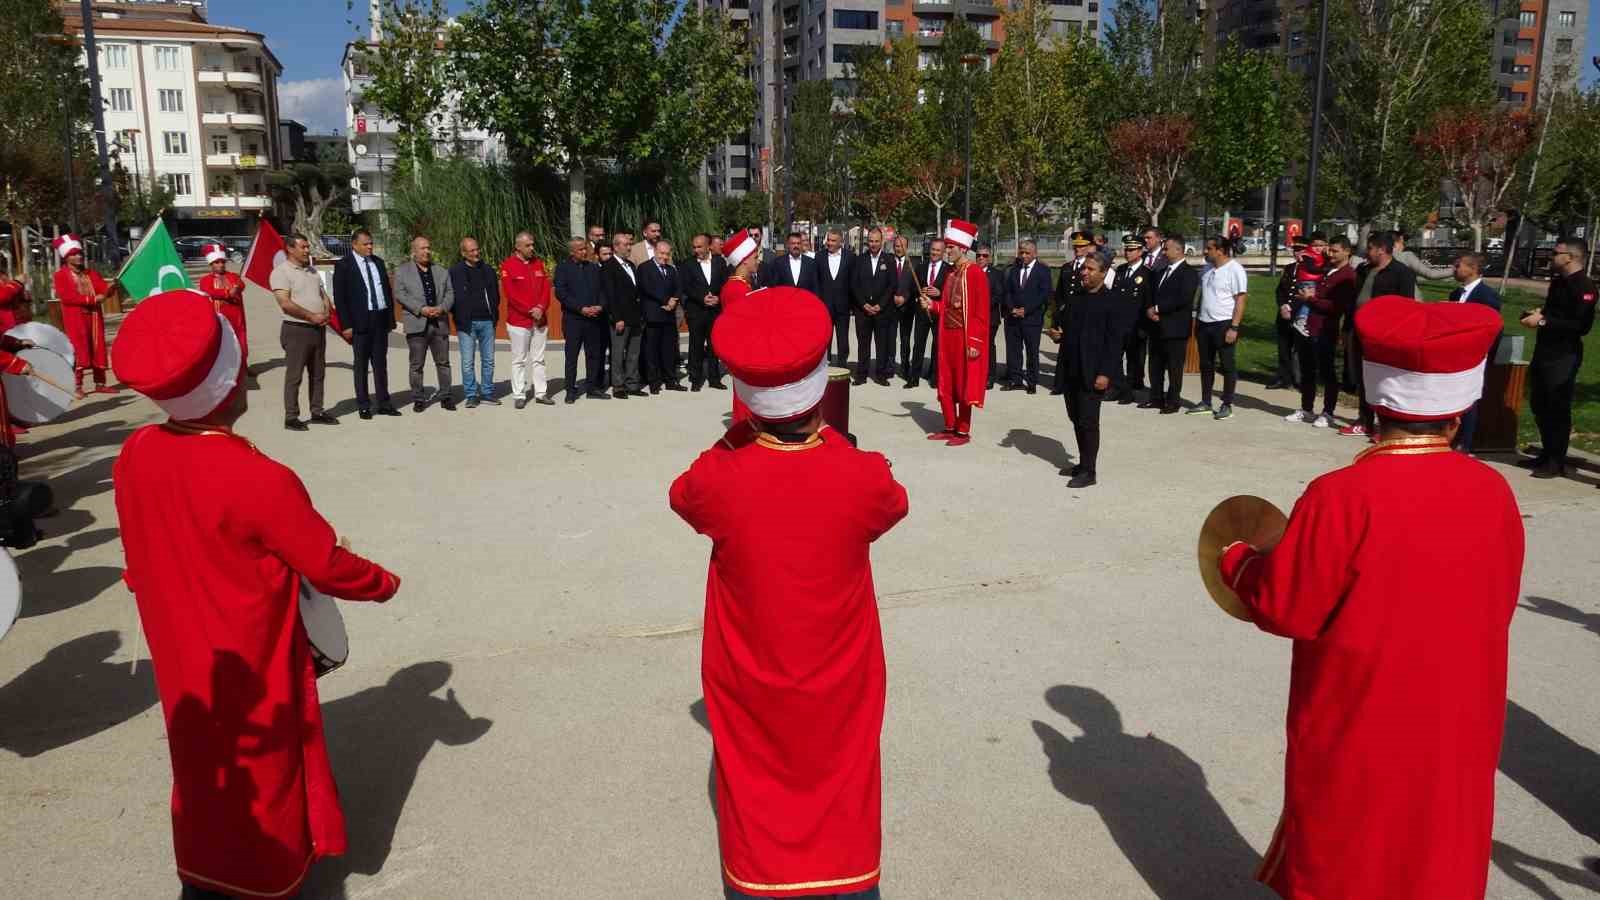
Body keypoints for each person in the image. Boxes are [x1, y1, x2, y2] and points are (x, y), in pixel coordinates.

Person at [1212, 294, 1520, 900]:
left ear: (1374, 403)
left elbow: (1287, 607)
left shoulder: (1340, 496)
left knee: (1350, 843)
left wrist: (1235, 561)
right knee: (1438, 842)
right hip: (1458, 712)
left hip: (1361, 712)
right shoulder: (1494, 491)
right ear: (1458, 412)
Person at [110, 289, 401, 900]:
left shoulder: (136, 451)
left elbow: (137, 553)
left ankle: (204, 869)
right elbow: (326, 564)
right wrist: (385, 583)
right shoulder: (256, 475)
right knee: (263, 764)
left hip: (178, 641)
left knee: (198, 759)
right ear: (231, 380)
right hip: (247, 646)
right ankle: (265, 879)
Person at [669, 292, 907, 900]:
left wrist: (737, 439)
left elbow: (683, 495)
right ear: (820, 383)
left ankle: (760, 882)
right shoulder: (859, 472)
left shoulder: (720, 474)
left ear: (744, 396)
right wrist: (838, 444)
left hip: (752, 673)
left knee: (755, 788)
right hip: (838, 676)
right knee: (844, 787)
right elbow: (892, 504)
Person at [1521, 237, 1596, 478]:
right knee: (1539, 403)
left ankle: (1556, 460)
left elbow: (1580, 326)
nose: (1551, 257)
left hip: (1564, 355)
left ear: (1570, 257)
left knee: (1557, 407)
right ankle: (1547, 452)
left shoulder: (1584, 287)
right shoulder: (1558, 282)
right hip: (1545, 350)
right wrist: (1540, 314)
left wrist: (1543, 321)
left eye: (1556, 253)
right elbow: (1554, 312)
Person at [919, 220, 989, 447]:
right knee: (945, 382)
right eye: (946, 247)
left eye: (951, 247)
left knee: (963, 384)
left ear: (963, 248)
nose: (947, 251)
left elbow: (980, 311)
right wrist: (931, 304)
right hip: (946, 335)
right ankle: (949, 425)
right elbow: (947, 308)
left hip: (964, 337)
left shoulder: (975, 273)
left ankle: (963, 431)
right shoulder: (950, 274)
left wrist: (976, 341)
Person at [1056, 254, 1122, 488]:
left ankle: (1089, 471)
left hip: (1093, 373)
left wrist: (1105, 373)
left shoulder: (1112, 301)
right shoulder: (1076, 298)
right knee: (1075, 418)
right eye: (1084, 268)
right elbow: (1071, 331)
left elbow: (1114, 343)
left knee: (1088, 421)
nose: (1084, 272)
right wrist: (1059, 336)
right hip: (1072, 369)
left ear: (1103, 273)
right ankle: (1082, 463)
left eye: (1091, 269)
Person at [1343, 231, 1418, 438]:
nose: (1367, 252)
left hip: (1385, 334)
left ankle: (1386, 426)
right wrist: (1347, 328)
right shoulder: (1363, 270)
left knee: (1385, 380)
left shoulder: (1402, 273)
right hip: (1359, 331)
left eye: (1370, 248)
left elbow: (1407, 307)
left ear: (1382, 250)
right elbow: (1353, 300)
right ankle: (1364, 420)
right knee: (1363, 375)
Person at [1284, 237, 1356, 429]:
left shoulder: (1347, 276)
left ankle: (1328, 412)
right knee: (1307, 370)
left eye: (1335, 251)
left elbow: (1336, 306)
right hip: (1308, 325)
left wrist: (1311, 299)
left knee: (1327, 372)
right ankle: (1306, 409)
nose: (1330, 254)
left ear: (1347, 252)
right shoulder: (1326, 269)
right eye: (1329, 250)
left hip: (1325, 328)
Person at [269, 233, 337, 431]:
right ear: (290, 249)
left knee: (318, 373)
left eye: (308, 247)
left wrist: (325, 311)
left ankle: (317, 411)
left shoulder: (312, 271)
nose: (307, 250)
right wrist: (310, 316)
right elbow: (285, 304)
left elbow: (322, 294)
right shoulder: (281, 272)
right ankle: (291, 417)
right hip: (296, 329)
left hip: (317, 329)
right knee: (295, 375)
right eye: (303, 247)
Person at [332, 229, 400, 420]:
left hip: (380, 319)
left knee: (380, 364)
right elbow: (340, 297)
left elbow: (385, 290)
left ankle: (384, 403)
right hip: (359, 322)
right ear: (354, 245)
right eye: (365, 244)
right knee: (361, 365)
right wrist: (345, 325)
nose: (370, 246)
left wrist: (390, 319)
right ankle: (363, 404)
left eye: (371, 243)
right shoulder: (344, 265)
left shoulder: (378, 262)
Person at [393, 235, 456, 413]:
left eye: (428, 248)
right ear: (414, 251)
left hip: (439, 323)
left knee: (443, 363)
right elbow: (400, 294)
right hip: (416, 323)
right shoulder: (402, 271)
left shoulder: (441, 271)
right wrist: (420, 309)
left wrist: (442, 308)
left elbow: (450, 293)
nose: (427, 251)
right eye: (422, 248)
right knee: (416, 365)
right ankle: (418, 398)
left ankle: (446, 396)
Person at [1190, 236, 1248, 420]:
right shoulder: (1206, 269)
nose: (1205, 251)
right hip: (1204, 323)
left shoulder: (1235, 270)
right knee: (1206, 365)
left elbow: (1240, 300)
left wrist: (1234, 327)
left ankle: (1227, 403)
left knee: (1227, 365)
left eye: (1209, 248)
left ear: (1221, 250)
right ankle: (1206, 401)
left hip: (1224, 324)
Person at [1448, 252, 1502, 453]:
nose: (1454, 269)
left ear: (1472, 269)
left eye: (1458, 265)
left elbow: (1492, 328)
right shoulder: (1456, 294)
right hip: (1455, 355)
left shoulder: (1486, 296)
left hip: (1475, 356)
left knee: (1468, 399)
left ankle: (1465, 443)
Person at [51, 234, 115, 397]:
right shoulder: (60, 276)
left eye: (79, 253)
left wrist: (111, 288)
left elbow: (102, 290)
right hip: (75, 318)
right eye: (74, 254)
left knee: (98, 346)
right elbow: (67, 298)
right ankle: (77, 386)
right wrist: (93, 299)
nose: (78, 256)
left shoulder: (91, 273)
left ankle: (100, 383)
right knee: (78, 350)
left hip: (93, 316)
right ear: (66, 257)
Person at [1141, 235, 1198, 415]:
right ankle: (1155, 397)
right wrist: (1151, 309)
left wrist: (1158, 309)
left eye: (1166, 249)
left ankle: (1173, 401)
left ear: (1178, 250)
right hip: (1157, 326)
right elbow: (1151, 293)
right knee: (1155, 365)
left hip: (1175, 328)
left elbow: (1183, 298)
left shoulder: (1188, 272)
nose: (1163, 252)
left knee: (1174, 367)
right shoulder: (1161, 271)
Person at [500, 231, 554, 409]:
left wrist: (540, 308)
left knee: (539, 359)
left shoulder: (538, 263)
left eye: (532, 244)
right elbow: (511, 295)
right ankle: (519, 394)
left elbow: (546, 289)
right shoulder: (508, 265)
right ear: (518, 247)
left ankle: (541, 393)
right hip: (519, 322)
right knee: (519, 359)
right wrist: (530, 310)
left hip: (540, 320)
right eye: (528, 245)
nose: (532, 248)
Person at [557, 237, 613, 403]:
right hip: (574, 319)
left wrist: (600, 306)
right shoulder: (563, 268)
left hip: (594, 319)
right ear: (572, 251)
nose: (585, 252)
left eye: (585, 249)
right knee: (572, 356)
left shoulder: (594, 268)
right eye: (580, 249)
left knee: (594, 355)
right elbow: (561, 293)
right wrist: (580, 308)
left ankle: (592, 387)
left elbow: (603, 290)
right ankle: (570, 389)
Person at [448, 237, 501, 408]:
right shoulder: (455, 272)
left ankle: (487, 392)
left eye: (477, 249)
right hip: (466, 323)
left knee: (489, 360)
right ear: (463, 253)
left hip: (487, 321)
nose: (476, 253)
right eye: (471, 251)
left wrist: (493, 314)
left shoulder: (488, 270)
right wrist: (458, 316)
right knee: (467, 361)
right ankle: (471, 394)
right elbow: (451, 297)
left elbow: (495, 295)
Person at [680, 233, 728, 391]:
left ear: (709, 246)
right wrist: (702, 298)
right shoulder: (687, 264)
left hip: (715, 311)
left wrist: (719, 298)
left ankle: (714, 378)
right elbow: (686, 287)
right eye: (694, 247)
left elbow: (725, 284)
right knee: (696, 346)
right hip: (697, 311)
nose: (696, 250)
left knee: (715, 346)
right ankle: (696, 379)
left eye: (699, 246)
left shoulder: (720, 262)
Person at [1001, 240, 1051, 394]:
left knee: (1032, 351)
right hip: (1013, 317)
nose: (1023, 255)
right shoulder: (1014, 269)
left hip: (1032, 319)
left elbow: (1043, 294)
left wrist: (1026, 310)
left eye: (1027, 253)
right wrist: (1012, 308)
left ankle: (1031, 381)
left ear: (1034, 253)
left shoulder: (1042, 271)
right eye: (1021, 252)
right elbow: (1007, 291)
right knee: (1013, 350)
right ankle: (1015, 379)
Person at [849, 227, 896, 387]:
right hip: (863, 310)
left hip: (881, 311)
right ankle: (861, 374)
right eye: (871, 241)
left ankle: (880, 374)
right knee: (863, 344)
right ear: (867, 241)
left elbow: (892, 285)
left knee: (881, 344)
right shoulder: (859, 260)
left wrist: (879, 305)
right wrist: (864, 304)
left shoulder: (889, 260)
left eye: (876, 241)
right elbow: (854, 284)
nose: (873, 244)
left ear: (882, 241)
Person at [638, 239, 687, 393]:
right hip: (653, 315)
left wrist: (674, 300)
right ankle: (654, 382)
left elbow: (678, 287)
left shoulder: (672, 270)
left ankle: (671, 380)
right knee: (652, 351)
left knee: (669, 350)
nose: (664, 257)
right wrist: (665, 300)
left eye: (667, 254)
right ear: (655, 251)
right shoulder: (644, 268)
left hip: (669, 316)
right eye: (661, 253)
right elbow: (646, 288)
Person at [1051, 232, 1096, 396]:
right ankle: (1060, 384)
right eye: (1076, 246)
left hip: (1084, 316)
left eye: (1082, 246)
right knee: (1065, 350)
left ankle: (1080, 383)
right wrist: (1056, 319)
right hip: (1067, 316)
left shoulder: (1091, 267)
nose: (1078, 249)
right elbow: (1059, 295)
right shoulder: (1067, 267)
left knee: (1081, 351)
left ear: (1089, 247)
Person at [600, 233, 645, 399]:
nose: (629, 247)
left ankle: (632, 384)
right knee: (618, 353)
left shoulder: (631, 265)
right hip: (620, 318)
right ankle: (618, 385)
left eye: (629, 244)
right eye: (625, 244)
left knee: (634, 353)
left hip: (636, 317)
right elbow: (610, 295)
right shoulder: (608, 266)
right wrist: (616, 318)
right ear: (616, 246)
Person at [1109, 234, 1153, 404]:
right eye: (1126, 249)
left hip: (1136, 325)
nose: (1127, 253)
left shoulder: (1147, 273)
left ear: (1141, 251)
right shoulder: (1120, 270)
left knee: (1134, 361)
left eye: (1132, 249)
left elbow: (1148, 301)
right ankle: (1118, 388)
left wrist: (1144, 327)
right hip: (1118, 324)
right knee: (1115, 358)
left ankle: (1130, 391)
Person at [905, 238, 951, 390]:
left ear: (943, 252)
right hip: (922, 311)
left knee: (937, 345)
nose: (935, 253)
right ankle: (914, 377)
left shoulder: (948, 270)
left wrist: (940, 292)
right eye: (933, 250)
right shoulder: (921, 267)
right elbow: (913, 287)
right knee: (919, 344)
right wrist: (919, 294)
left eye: (938, 250)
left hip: (939, 312)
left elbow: (952, 293)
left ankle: (935, 376)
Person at [198, 244, 248, 361]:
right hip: (219, 317)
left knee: (239, 341)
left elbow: (241, 285)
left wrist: (237, 287)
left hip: (236, 316)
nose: (220, 265)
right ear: (211, 264)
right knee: (221, 343)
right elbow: (209, 292)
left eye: (222, 262)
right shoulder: (205, 280)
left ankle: (243, 365)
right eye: (217, 262)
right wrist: (227, 292)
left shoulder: (233, 276)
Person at [817, 229, 853, 366]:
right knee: (825, 339)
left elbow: (853, 282)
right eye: (828, 240)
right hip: (824, 307)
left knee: (843, 339)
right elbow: (817, 281)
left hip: (843, 307)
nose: (829, 243)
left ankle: (843, 366)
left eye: (833, 241)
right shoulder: (819, 257)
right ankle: (825, 367)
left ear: (841, 242)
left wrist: (852, 305)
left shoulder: (850, 257)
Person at [978, 244, 1006, 389]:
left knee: (988, 346)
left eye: (985, 256)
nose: (981, 258)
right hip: (973, 317)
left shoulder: (996, 274)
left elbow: (998, 295)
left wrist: (982, 306)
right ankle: (977, 374)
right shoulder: (972, 271)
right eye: (979, 255)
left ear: (990, 258)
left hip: (990, 316)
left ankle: (990, 376)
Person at [762, 231, 820, 295]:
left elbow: (815, 287)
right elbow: (774, 287)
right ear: (788, 245)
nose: (796, 246)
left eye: (798, 243)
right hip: (785, 302)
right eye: (793, 243)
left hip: (805, 303)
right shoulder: (778, 263)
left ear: (801, 245)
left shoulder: (811, 263)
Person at [0, 259, 29, 331]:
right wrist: (17, 282)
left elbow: (13, 296)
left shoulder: (3, 276)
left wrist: (22, 291)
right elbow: (3, 296)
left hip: (17, 326)